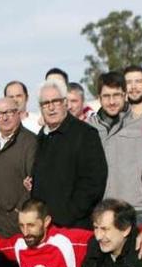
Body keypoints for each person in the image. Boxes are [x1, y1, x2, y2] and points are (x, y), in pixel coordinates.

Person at [30, 79, 107, 229]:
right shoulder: (41, 137)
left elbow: (94, 183)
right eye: (46, 103)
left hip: (75, 226)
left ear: (65, 102)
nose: (51, 108)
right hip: (45, 228)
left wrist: (68, 215)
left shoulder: (85, 134)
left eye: (56, 101)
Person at [87, 71, 142, 226]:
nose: (112, 101)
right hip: (102, 211)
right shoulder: (89, 129)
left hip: (137, 210)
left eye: (116, 95)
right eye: (106, 96)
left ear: (124, 95)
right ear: (99, 98)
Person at [0, 97, 37, 238]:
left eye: (9, 112)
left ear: (18, 113)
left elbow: (34, 181)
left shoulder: (30, 142)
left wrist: (19, 211)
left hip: (19, 224)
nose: (4, 118)